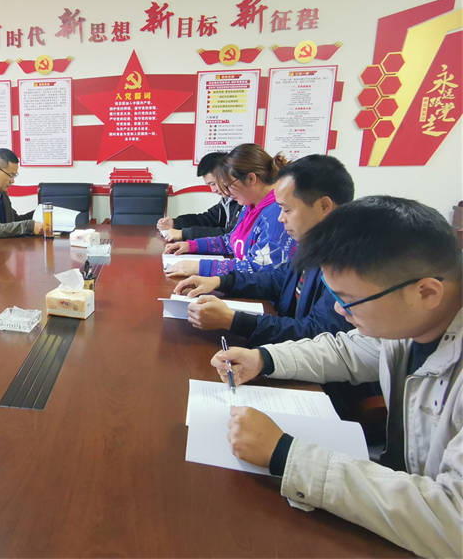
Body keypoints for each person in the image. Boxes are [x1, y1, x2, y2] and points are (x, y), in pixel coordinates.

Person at [210, 196, 463, 557]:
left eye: (349, 300)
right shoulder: (413, 320)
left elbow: (454, 520)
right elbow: (348, 351)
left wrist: (286, 455)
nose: (340, 312)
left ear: (426, 292)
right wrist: (263, 358)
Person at [173, 154, 354, 346]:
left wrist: (233, 320)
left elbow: (317, 335)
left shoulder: (349, 264)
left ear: (324, 206)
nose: (281, 218)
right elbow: (278, 279)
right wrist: (220, 281)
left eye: (287, 210)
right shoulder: (313, 242)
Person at [164, 143, 296, 278]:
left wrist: (201, 267)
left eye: (228, 186)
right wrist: (192, 246)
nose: (226, 192)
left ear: (251, 179)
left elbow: (258, 268)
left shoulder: (277, 213)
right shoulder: (249, 205)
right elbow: (230, 241)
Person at [156, 152, 241, 242]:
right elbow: (207, 219)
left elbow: (231, 234)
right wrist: (175, 223)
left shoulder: (242, 202)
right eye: (210, 185)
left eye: (213, 184)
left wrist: (184, 233)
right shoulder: (227, 200)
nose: (213, 190)